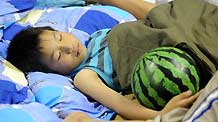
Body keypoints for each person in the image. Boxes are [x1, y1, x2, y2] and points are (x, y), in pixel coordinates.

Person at [6, 0, 203, 121]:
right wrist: (160, 116)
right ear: (54, 72)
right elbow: (120, 104)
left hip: (169, 29)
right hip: (171, 56)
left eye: (60, 37)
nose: (67, 47)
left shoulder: (96, 36)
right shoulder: (84, 76)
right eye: (58, 56)